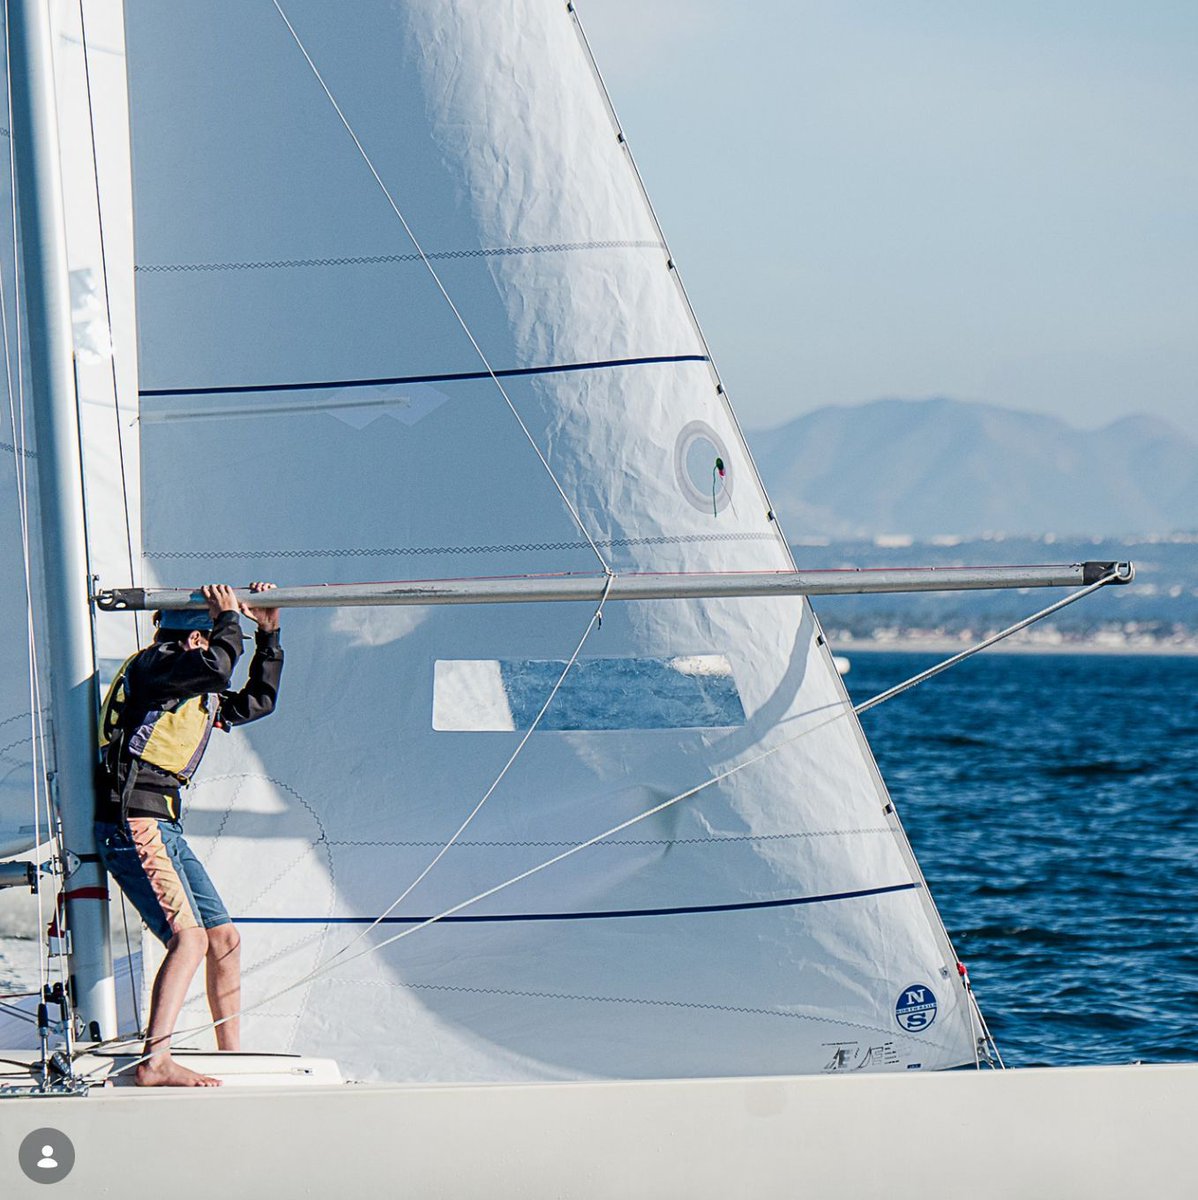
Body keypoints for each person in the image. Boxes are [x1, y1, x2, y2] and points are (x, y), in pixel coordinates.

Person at [94, 581, 282, 1087]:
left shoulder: (195, 686)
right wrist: (227, 619)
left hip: (163, 822)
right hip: (132, 820)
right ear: (195, 639)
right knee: (190, 938)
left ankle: (232, 1057)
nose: (212, 645)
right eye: (209, 636)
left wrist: (269, 636)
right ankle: (156, 1060)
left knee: (224, 939)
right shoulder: (157, 668)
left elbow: (259, 701)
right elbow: (218, 666)